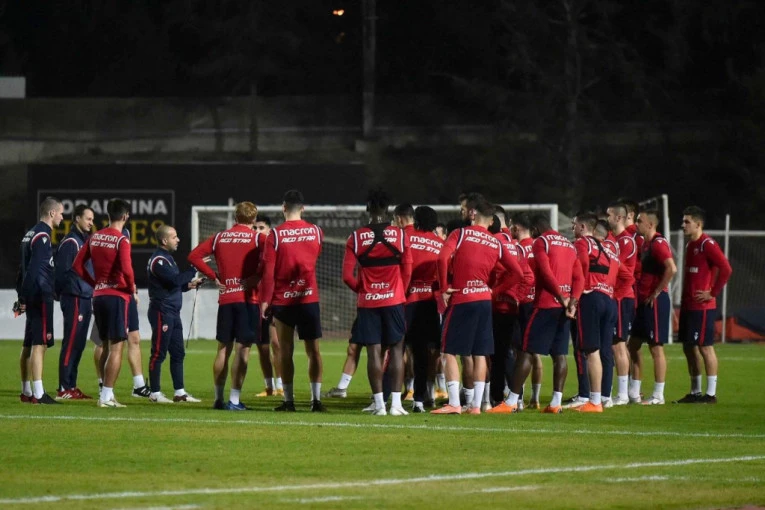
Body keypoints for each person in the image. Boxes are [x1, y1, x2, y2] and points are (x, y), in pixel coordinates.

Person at [433, 198, 523, 415]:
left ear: (473, 215)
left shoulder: (460, 234)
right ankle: (476, 406)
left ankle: (454, 403)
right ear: (491, 220)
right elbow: (517, 273)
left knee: (449, 351)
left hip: (462, 297)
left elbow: (442, 259)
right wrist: (495, 291)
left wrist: (444, 287)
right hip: (484, 300)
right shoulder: (496, 242)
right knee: (480, 352)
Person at [489, 214, 583, 414]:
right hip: (565, 307)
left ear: (534, 230)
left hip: (546, 305)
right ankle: (556, 403)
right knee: (559, 355)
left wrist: (560, 297)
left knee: (527, 351)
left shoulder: (541, 242)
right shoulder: (569, 244)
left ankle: (511, 401)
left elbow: (546, 273)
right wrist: (572, 301)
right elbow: (579, 278)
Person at [188, 201, 265, 411]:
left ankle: (218, 398)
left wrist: (214, 276)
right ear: (253, 218)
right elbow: (273, 258)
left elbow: (193, 256)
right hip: (247, 300)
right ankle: (234, 400)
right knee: (243, 350)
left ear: (236, 217)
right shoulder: (258, 238)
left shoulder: (220, 237)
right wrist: (257, 276)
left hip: (226, 299)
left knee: (223, 349)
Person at [342, 188, 412, 416]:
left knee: (374, 351)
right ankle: (396, 405)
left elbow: (346, 276)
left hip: (368, 303)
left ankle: (380, 405)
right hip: (394, 300)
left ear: (368, 208)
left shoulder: (355, 237)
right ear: (388, 209)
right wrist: (399, 291)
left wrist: (363, 291)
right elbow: (408, 269)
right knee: (397, 349)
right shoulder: (400, 236)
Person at [259, 190, 325, 412]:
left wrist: (265, 300)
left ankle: (289, 401)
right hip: (308, 297)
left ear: (283, 208)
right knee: (313, 351)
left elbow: (268, 273)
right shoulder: (316, 232)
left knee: (285, 351)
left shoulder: (275, 235)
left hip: (283, 300)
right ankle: (316, 401)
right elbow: (313, 258)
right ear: (303, 208)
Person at [73, 198, 135, 408]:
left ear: (108, 215)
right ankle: (106, 397)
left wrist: (95, 284)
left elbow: (77, 265)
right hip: (116, 296)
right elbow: (127, 270)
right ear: (125, 216)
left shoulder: (95, 237)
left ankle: (105, 392)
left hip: (98, 296)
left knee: (105, 345)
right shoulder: (121, 240)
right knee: (117, 347)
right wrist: (131, 288)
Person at [673, 206, 732, 404]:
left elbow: (726, 268)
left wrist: (712, 293)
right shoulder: (691, 245)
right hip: (688, 306)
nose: (683, 225)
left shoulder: (708, 244)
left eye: (687, 221)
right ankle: (695, 391)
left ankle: (711, 394)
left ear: (698, 224)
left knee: (705, 347)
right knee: (688, 347)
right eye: (683, 221)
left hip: (703, 308)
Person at [146, 225, 204, 403]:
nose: (178, 240)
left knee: (178, 353)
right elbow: (174, 280)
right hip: (162, 311)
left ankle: (180, 392)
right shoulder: (159, 261)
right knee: (158, 353)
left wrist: (190, 285)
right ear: (164, 240)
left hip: (172, 312)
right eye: (174, 237)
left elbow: (173, 285)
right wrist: (193, 268)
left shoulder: (168, 259)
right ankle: (155, 393)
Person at [571, 213, 621, 413]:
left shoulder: (583, 243)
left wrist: (579, 292)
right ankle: (604, 397)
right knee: (605, 351)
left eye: (574, 225)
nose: (572, 229)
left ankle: (593, 401)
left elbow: (582, 266)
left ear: (583, 227)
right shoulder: (611, 249)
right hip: (609, 299)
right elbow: (619, 274)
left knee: (590, 350)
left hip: (592, 299)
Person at [17, 197, 64, 404]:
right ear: (52, 213)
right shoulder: (43, 236)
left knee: (28, 343)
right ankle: (38, 393)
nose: (62, 217)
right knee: (40, 343)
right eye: (61, 213)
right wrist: (26, 296)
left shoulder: (29, 234)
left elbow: (22, 269)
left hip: (31, 295)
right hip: (40, 295)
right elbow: (34, 269)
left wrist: (21, 295)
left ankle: (26, 391)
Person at [628, 209, 677, 405]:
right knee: (633, 345)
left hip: (654, 302)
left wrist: (656, 292)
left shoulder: (658, 243)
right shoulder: (646, 244)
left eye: (639, 221)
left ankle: (658, 395)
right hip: (644, 301)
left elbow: (671, 268)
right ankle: (634, 392)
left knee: (656, 347)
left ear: (650, 224)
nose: (636, 224)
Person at [399, 205, 443, 412]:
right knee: (426, 352)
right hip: (431, 303)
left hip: (407, 299)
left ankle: (390, 397)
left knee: (397, 349)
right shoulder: (440, 243)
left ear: (416, 221)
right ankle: (422, 397)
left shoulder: (407, 238)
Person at [54, 204, 95, 400]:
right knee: (71, 342)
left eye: (92, 219)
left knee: (78, 343)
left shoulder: (83, 240)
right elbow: (61, 272)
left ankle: (71, 385)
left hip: (84, 296)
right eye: (88, 218)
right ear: (77, 218)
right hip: (74, 297)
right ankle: (63, 388)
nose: (91, 222)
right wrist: (64, 293)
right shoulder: (71, 242)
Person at [510, 212, 543, 408]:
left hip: (523, 304)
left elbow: (523, 277)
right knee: (534, 352)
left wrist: (517, 297)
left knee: (519, 352)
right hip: (538, 303)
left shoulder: (518, 249)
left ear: (516, 227)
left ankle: (518, 397)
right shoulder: (539, 246)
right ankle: (535, 398)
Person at [606, 202, 638, 405]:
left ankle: (623, 394)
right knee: (614, 344)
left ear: (618, 217)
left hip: (621, 297)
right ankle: (616, 391)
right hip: (613, 296)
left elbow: (619, 270)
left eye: (609, 215)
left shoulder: (626, 241)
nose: (606, 218)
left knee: (618, 344)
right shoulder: (613, 239)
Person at [253, 214, 283, 398]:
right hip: (255, 302)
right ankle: (269, 387)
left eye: (261, 228)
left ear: (269, 230)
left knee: (277, 344)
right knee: (262, 347)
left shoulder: (275, 249)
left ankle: (281, 385)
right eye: (255, 228)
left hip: (272, 301)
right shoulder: (251, 250)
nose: (257, 231)